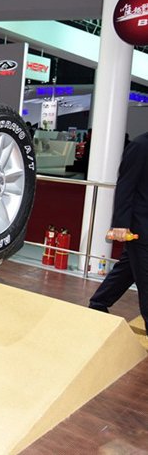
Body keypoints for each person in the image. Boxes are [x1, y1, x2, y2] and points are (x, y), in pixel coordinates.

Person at [89, 131, 148, 337]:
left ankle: (98, 304)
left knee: (128, 269)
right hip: (141, 226)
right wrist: (121, 224)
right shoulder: (140, 146)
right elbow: (125, 185)